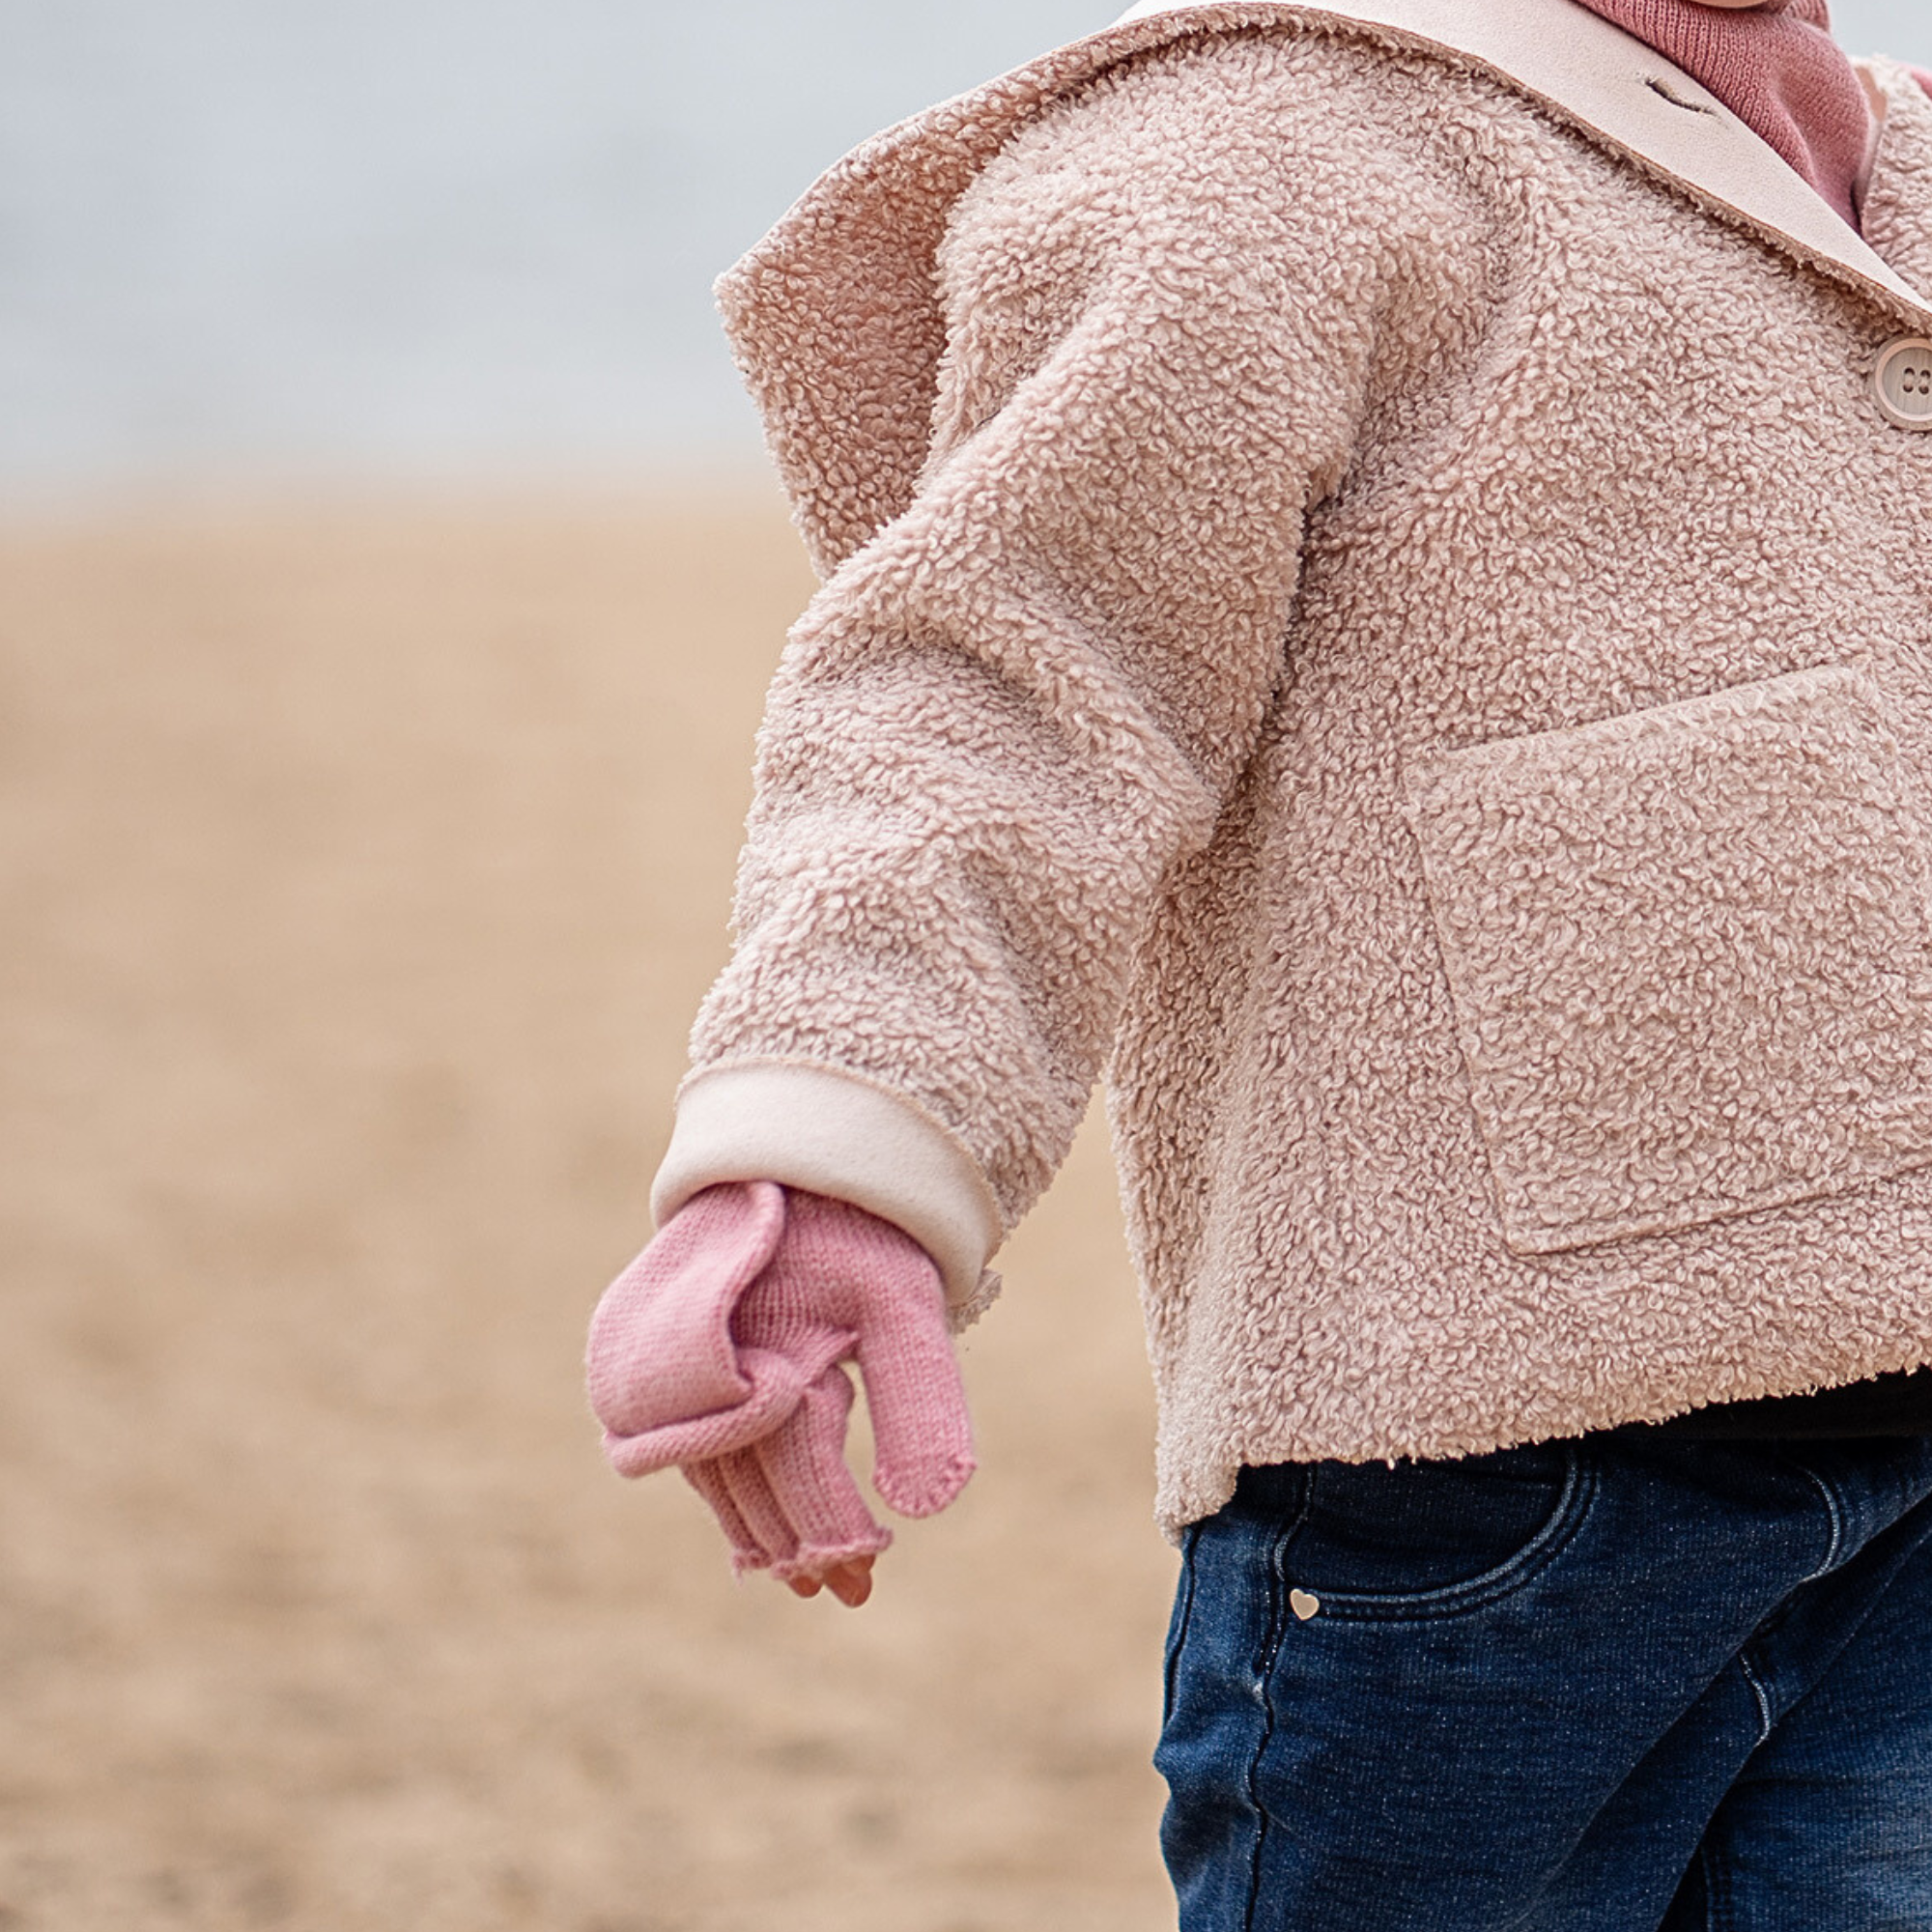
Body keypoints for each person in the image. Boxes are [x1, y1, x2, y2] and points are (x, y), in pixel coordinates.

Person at [587, 0, 1932, 1922]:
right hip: (1483, 1466)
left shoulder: (1881, 155)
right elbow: (1006, 683)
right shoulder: (1255, 154)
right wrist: (833, 1148)